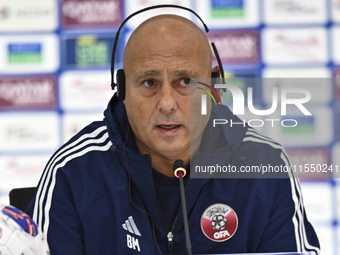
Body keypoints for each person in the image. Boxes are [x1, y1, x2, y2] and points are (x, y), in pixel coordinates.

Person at [26, 13, 320, 255]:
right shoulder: (73, 172)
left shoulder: (265, 166)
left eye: (185, 81)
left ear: (215, 86)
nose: (167, 103)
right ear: (124, 89)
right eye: (149, 82)